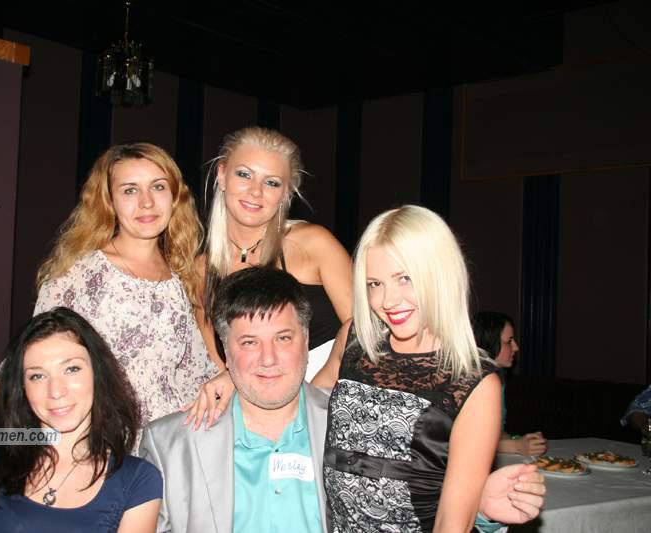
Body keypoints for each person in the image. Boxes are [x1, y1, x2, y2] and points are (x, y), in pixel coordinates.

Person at [141, 267, 546, 533]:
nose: (268, 359)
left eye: (283, 338)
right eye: (249, 342)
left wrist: (481, 510)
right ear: (225, 350)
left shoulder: (357, 426)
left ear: (306, 340)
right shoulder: (169, 445)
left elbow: (405, 515)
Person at [0, 142, 219, 448]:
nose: (146, 202)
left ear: (175, 196)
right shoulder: (82, 275)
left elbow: (203, 374)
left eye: (158, 187)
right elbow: (26, 369)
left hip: (177, 449)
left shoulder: (184, 277)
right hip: (105, 448)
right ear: (109, 201)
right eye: (130, 190)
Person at [312, 206, 503, 532]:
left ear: (440, 273)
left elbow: (452, 522)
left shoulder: (474, 382)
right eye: (375, 283)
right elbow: (304, 410)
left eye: (405, 278)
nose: (388, 300)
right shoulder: (355, 340)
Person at [0, 307, 161, 532]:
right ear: (22, 387)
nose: (56, 391)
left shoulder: (137, 481)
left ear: (98, 374)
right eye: (38, 376)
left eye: (71, 369)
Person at [187, 126, 353, 426]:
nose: (255, 191)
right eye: (244, 174)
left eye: (272, 182)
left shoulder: (312, 244)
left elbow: (365, 329)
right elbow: (218, 363)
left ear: (287, 193)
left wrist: (317, 388)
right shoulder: (201, 270)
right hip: (254, 416)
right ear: (222, 175)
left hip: (329, 406)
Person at [473, 311, 547, 457]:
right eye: (508, 341)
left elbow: (497, 432)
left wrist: (521, 441)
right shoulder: (471, 383)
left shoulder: (497, 378)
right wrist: (516, 446)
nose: (516, 347)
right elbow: (470, 438)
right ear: (488, 343)